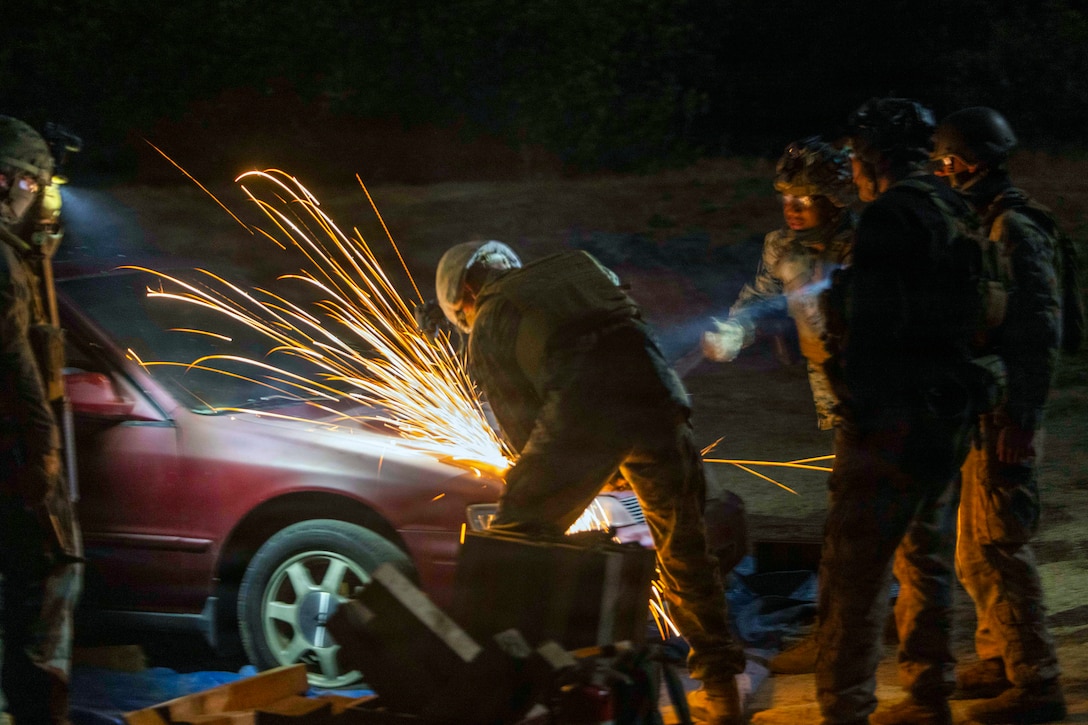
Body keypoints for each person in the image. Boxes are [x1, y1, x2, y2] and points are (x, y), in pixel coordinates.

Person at [758, 97, 1004, 725]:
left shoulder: (890, 218)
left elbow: (869, 326)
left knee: (853, 572)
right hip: (947, 409)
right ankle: (927, 697)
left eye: (856, 158)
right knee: (925, 558)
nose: (852, 172)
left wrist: (852, 399)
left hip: (892, 419)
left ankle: (845, 708)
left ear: (873, 157)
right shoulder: (953, 203)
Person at [434, 240, 748, 724]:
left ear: (467, 295)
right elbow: (631, 343)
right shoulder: (576, 267)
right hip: (660, 400)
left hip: (583, 418)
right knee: (683, 545)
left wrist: (573, 475)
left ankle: (497, 690)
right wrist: (616, 467)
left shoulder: (493, 318)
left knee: (514, 540)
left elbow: (525, 434)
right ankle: (723, 687)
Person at [931, 106, 1067, 724]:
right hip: (987, 406)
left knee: (1001, 543)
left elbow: (1039, 330)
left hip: (1005, 410)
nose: (943, 171)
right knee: (974, 549)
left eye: (947, 161)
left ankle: (1036, 683)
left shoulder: (1013, 226)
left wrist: (1021, 416)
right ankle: (1000, 655)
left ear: (971, 161)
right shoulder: (988, 220)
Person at [0, 114, 83, 724]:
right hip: (14, 455)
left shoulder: (16, 256)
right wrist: (44, 449)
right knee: (49, 580)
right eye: (36, 187)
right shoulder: (2, 263)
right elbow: (14, 363)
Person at [703, 136, 857, 433]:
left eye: (804, 200)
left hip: (872, 376)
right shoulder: (781, 245)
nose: (792, 210)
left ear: (833, 202)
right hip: (828, 379)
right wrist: (734, 332)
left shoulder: (862, 242)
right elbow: (761, 297)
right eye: (786, 199)